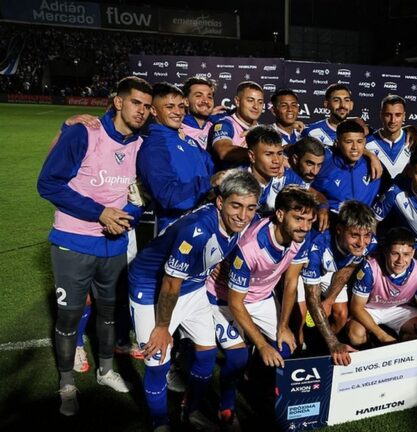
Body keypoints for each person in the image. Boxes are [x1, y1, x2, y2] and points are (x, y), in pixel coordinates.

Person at [38, 76, 152, 416]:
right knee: (70, 315)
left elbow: (135, 196)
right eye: (136, 103)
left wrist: (127, 213)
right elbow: (48, 183)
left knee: (107, 313)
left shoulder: (141, 144)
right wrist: (100, 213)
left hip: (113, 246)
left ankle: (105, 372)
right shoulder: (84, 132)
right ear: (118, 102)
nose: (142, 111)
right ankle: (67, 383)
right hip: (73, 242)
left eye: (147, 106)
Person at [128, 171, 260, 431]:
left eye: (250, 208)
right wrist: (163, 327)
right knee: (157, 361)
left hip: (193, 283)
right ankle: (160, 423)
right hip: (151, 286)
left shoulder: (236, 222)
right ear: (220, 203)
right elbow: (169, 282)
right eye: (236, 206)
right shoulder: (197, 231)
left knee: (207, 352)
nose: (243, 216)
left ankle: (192, 411)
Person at [205, 187, 317, 428]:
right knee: (236, 358)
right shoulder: (250, 247)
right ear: (279, 214)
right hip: (225, 299)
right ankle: (226, 405)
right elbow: (236, 303)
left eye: (309, 220)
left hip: (262, 297)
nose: (305, 226)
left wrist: (283, 327)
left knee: (286, 347)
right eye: (298, 218)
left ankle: (260, 389)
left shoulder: (300, 236)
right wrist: (263, 344)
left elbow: (290, 282)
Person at [299, 201, 377, 364]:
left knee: (340, 315)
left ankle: (320, 347)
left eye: (366, 235)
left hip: (331, 269)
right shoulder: (317, 245)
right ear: (339, 230)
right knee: (301, 315)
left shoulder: (369, 243)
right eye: (354, 235)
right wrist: (333, 342)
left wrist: (329, 300)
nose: (361, 243)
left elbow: (350, 265)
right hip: (303, 270)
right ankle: (300, 350)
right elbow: (312, 298)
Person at [137, 82, 214, 233]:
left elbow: (212, 168)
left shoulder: (188, 140)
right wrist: (208, 183)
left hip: (204, 223)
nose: (178, 112)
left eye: (181, 106)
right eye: (170, 107)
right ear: (153, 110)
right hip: (177, 229)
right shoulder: (154, 147)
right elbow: (169, 198)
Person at [347, 228, 417, 347]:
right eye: (395, 254)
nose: (400, 260)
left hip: (398, 309)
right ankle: (370, 351)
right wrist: (382, 335)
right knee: (356, 334)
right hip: (369, 309)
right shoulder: (370, 269)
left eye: (406, 254)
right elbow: (356, 307)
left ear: (412, 253)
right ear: (386, 251)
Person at [311, 119, 382, 212]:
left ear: (364, 142)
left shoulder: (373, 165)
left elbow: (391, 189)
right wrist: (322, 205)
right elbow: (302, 184)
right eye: (349, 142)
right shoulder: (323, 160)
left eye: (359, 142)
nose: (355, 147)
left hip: (363, 224)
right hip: (331, 223)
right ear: (337, 143)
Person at [209, 81, 265, 170]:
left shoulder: (263, 130)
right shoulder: (225, 124)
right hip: (232, 182)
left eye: (260, 102)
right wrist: (261, 154)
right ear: (237, 101)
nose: (256, 106)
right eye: (250, 100)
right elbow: (224, 151)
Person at [365, 95, 413, 179]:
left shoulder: (413, 141)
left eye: (398, 115)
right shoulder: (366, 144)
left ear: (404, 116)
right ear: (381, 115)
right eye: (388, 115)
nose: (392, 120)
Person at [180, 77, 226, 150]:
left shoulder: (220, 123)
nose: (206, 101)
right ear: (186, 102)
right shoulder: (177, 128)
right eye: (198, 96)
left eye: (209, 97)